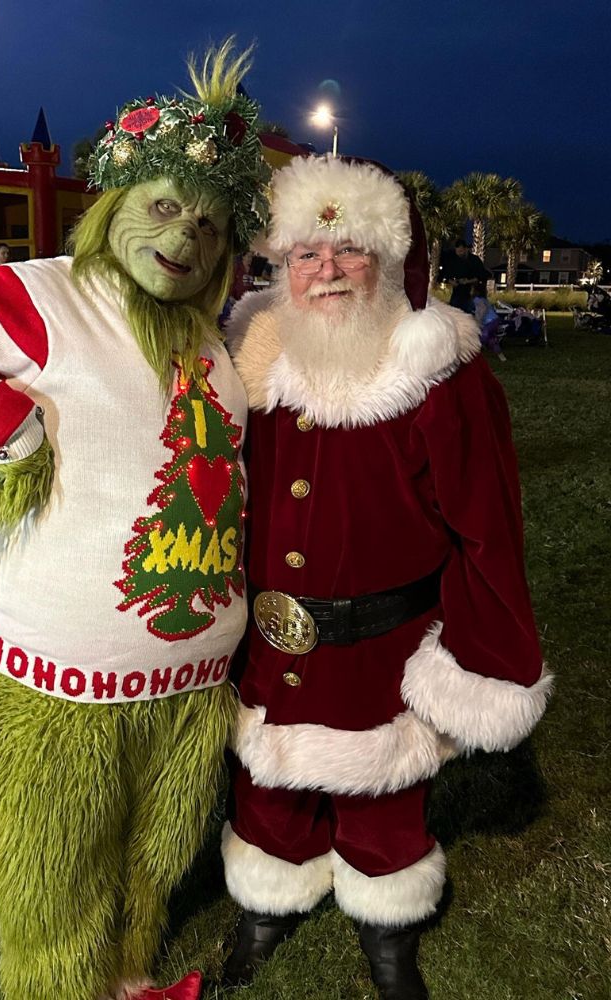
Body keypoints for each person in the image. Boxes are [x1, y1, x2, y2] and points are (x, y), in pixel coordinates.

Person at [0, 40, 269, 1000]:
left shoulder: (216, 338)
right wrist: (7, 425)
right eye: (163, 206)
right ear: (114, 203)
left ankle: (128, 982)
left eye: (208, 223)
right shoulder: (45, 296)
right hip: (51, 689)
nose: (185, 239)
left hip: (189, 684)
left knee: (147, 878)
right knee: (54, 898)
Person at [221, 154, 551, 1000]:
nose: (325, 271)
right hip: (269, 640)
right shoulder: (254, 360)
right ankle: (267, 902)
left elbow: (488, 525)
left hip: (384, 645)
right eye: (305, 254)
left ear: (389, 259)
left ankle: (387, 924)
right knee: (267, 782)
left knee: (384, 794)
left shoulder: (439, 372)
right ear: (281, 265)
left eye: (348, 251)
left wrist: (485, 655)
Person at [440, 238, 491, 312]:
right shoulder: (454, 260)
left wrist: (468, 281)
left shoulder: (474, 260)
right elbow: (446, 274)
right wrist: (451, 281)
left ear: (466, 249)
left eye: (461, 251)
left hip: (472, 293)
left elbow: (482, 275)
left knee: (470, 312)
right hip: (457, 293)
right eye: (457, 252)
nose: (459, 254)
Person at [471, 283, 506, 360]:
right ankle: (501, 356)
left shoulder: (477, 299)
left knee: (483, 337)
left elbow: (482, 309)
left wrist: (478, 321)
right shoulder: (484, 299)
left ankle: (474, 356)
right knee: (491, 338)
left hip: (489, 321)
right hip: (495, 320)